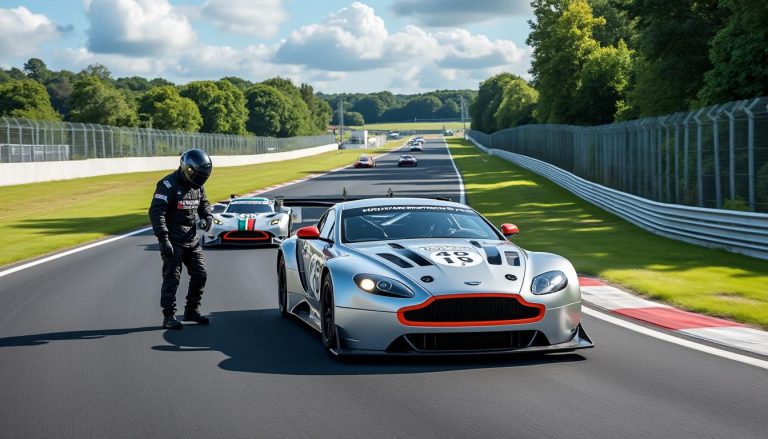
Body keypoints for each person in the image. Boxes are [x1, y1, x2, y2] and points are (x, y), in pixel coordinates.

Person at [148, 149, 214, 330]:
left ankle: (191, 310)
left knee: (201, 274)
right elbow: (156, 212)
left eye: (203, 177)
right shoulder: (167, 185)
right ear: (187, 169)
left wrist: (207, 217)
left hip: (192, 239)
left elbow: (204, 204)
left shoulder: (198, 186)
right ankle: (169, 316)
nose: (200, 181)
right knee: (172, 278)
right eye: (198, 176)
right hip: (172, 240)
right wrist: (163, 238)